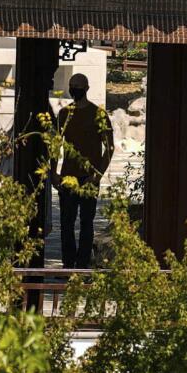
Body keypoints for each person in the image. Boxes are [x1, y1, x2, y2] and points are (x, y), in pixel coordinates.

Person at [55, 74, 114, 269]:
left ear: (86, 88)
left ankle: (82, 263)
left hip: (90, 178)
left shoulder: (98, 114)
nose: (74, 90)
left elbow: (110, 147)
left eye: (78, 87)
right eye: (72, 86)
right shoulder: (64, 114)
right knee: (66, 223)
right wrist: (53, 174)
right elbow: (54, 145)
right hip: (68, 176)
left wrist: (97, 175)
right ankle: (68, 264)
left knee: (86, 222)